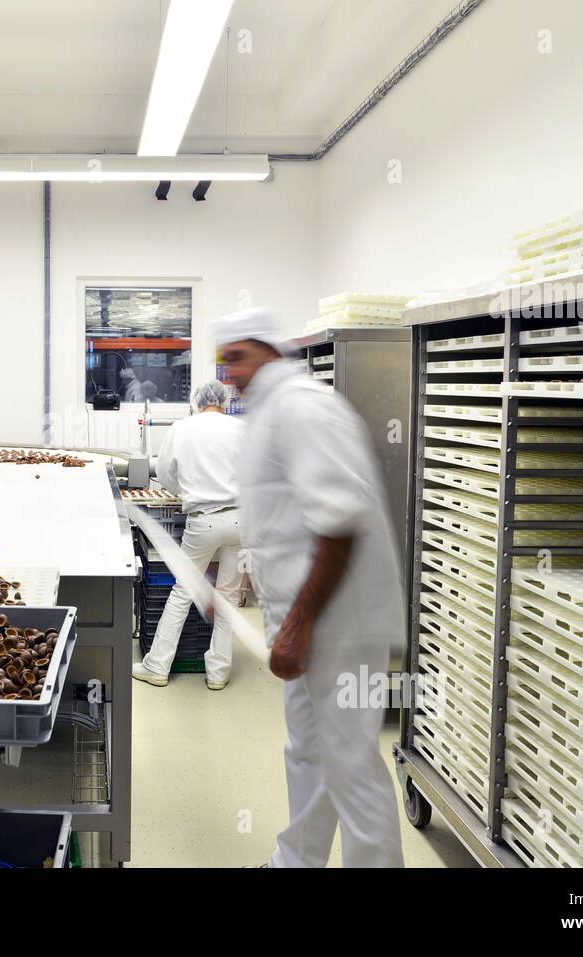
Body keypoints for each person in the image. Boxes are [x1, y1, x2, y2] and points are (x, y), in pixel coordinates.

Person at [213, 307, 404, 869]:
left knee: (350, 762)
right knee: (308, 751)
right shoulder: (268, 413)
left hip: (336, 622)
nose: (229, 373)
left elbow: (340, 522)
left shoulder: (303, 408)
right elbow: (283, 521)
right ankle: (295, 861)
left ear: (270, 351)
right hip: (300, 616)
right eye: (223, 362)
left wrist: (299, 625)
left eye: (238, 358)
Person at [132, 380, 243, 690]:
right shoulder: (241, 429)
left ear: (197, 402)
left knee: (184, 591)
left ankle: (157, 666)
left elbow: (165, 473)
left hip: (203, 520)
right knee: (228, 597)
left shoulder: (182, 429)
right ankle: (218, 674)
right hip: (241, 521)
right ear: (225, 401)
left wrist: (186, 491)